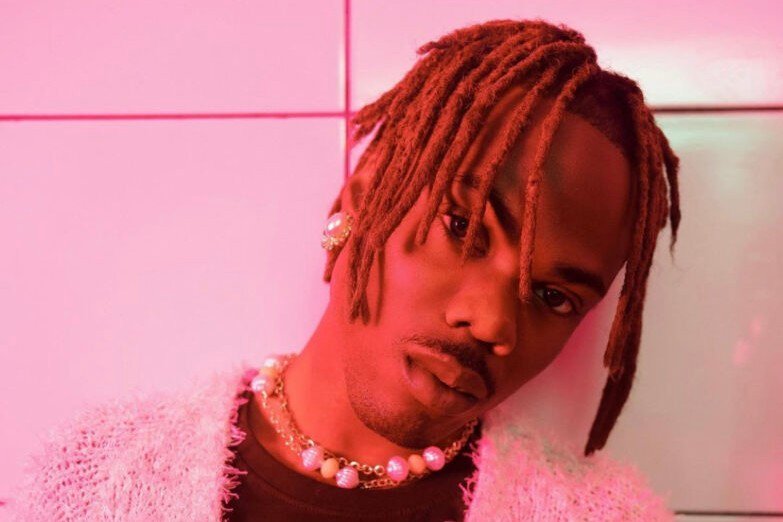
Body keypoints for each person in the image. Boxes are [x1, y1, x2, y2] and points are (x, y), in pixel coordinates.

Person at [7, 18, 681, 521]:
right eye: (463, 227)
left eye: (554, 297)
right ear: (359, 201)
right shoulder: (92, 483)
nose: (491, 321)